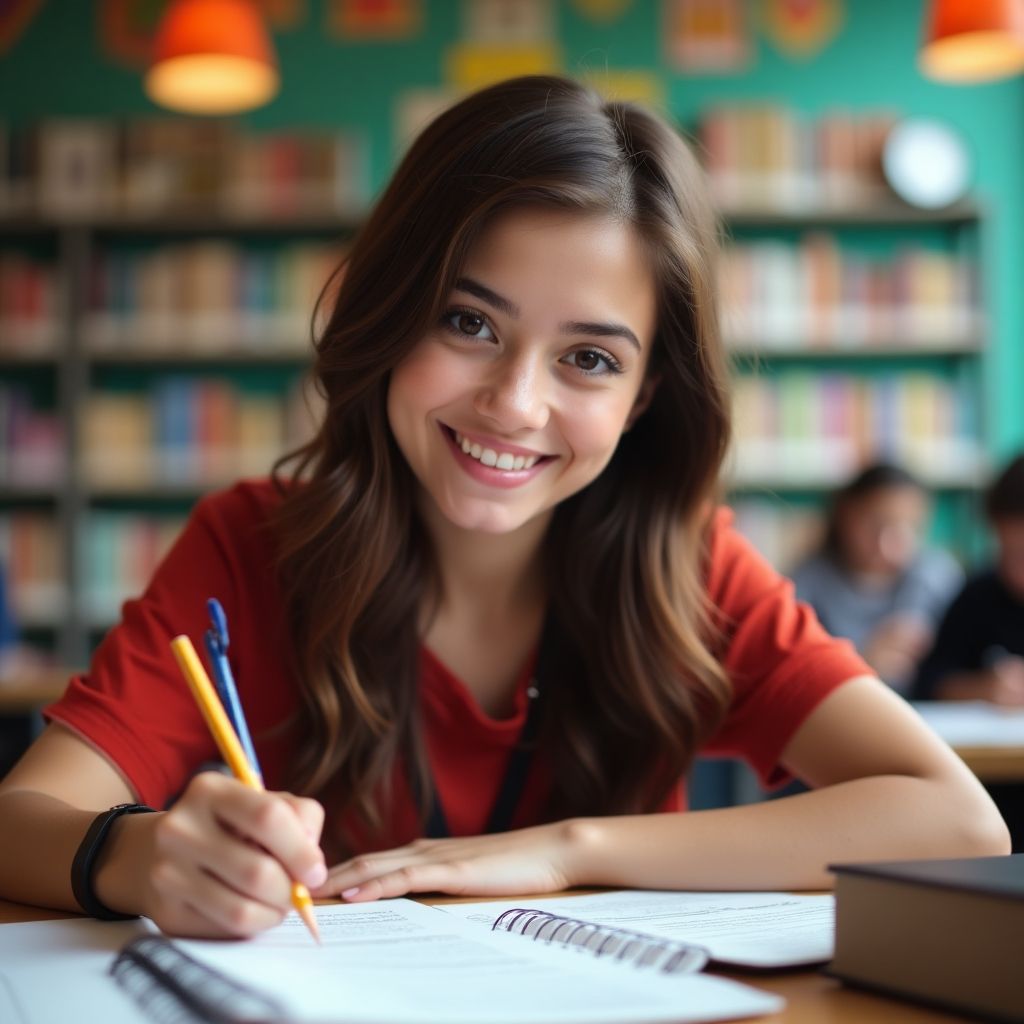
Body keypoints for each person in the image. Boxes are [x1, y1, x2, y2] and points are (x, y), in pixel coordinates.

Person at [0, 76, 1007, 940]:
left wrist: (567, 851)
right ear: (390, 315)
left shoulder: (687, 568)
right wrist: (138, 857)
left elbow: (954, 821)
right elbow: (22, 816)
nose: (515, 404)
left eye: (589, 358)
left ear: (645, 393)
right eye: (467, 321)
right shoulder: (253, 547)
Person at [790, 462, 963, 693]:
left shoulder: (939, 578)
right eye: (875, 525)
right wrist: (860, 660)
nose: (889, 542)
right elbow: (793, 674)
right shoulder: (806, 585)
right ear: (844, 516)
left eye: (908, 527)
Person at [913, 453, 1024, 706]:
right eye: (1010, 552)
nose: (1019, 572)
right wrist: (982, 687)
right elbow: (929, 682)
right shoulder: (979, 596)